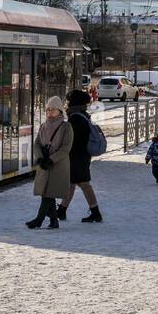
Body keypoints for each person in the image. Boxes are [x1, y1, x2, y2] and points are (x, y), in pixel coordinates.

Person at [27, 96, 72, 230]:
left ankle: (39, 220)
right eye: (47, 109)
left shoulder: (66, 127)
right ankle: (54, 221)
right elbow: (37, 143)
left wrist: (51, 159)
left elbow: (66, 148)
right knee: (47, 192)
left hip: (57, 166)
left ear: (59, 111)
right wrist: (40, 158)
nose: (49, 112)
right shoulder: (43, 125)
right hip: (44, 165)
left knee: (48, 193)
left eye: (52, 110)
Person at [59, 89, 102, 223]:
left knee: (82, 183)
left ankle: (95, 212)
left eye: (69, 100)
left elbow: (73, 139)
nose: (66, 103)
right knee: (72, 183)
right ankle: (62, 210)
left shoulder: (75, 118)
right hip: (81, 156)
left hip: (77, 157)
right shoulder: (82, 115)